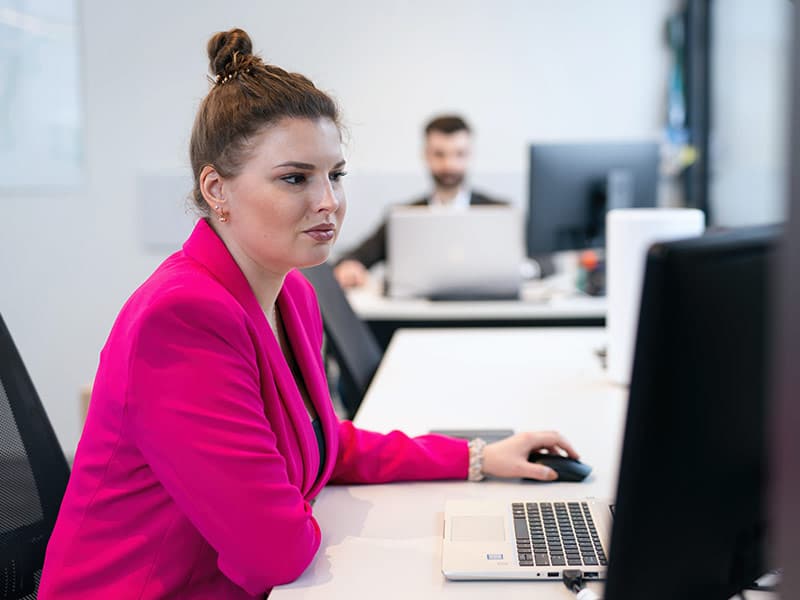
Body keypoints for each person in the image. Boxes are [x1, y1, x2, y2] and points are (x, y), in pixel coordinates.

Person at [38, 29, 579, 599]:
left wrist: (476, 456)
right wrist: (307, 511)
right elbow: (273, 550)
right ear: (216, 189)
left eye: (335, 174)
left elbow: (322, 443)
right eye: (295, 178)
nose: (328, 201)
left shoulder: (292, 294)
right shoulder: (180, 318)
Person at [334, 114, 506, 288]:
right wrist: (350, 265)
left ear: (470, 155)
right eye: (439, 154)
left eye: (459, 154)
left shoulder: (500, 213)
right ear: (426, 155)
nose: (449, 164)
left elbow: (533, 260)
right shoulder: (402, 217)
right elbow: (356, 257)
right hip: (419, 312)